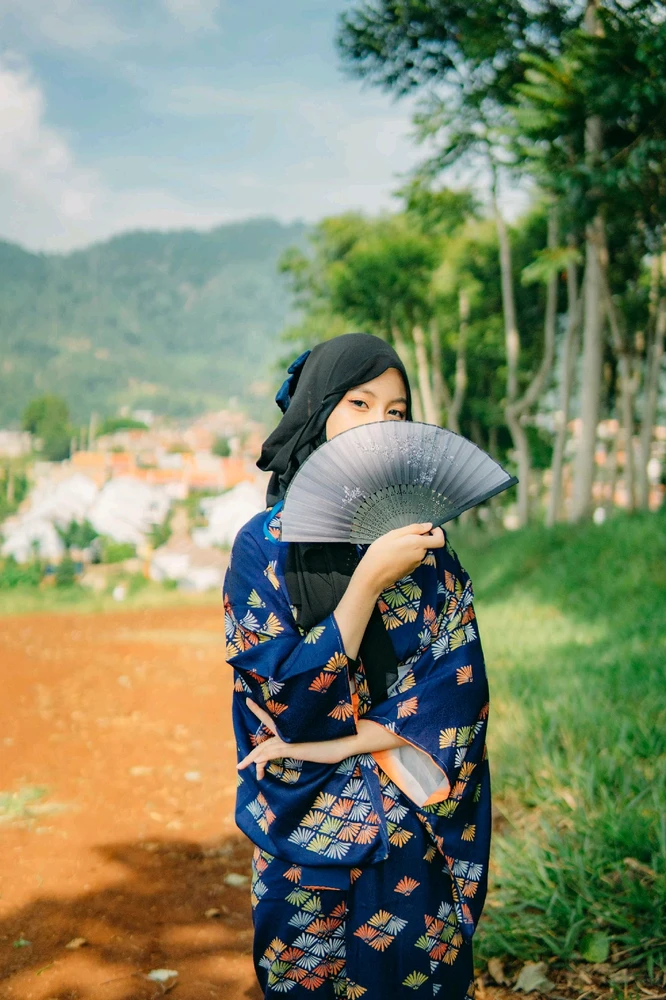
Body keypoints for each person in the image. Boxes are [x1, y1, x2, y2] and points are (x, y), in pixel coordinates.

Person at [223, 333, 490, 999]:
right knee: (301, 979)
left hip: (410, 821)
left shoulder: (431, 556)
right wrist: (366, 582)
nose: (380, 424)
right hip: (303, 826)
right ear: (317, 413)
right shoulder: (264, 548)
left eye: (396, 412)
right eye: (359, 403)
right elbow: (279, 695)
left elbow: (453, 702)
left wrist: (329, 747)